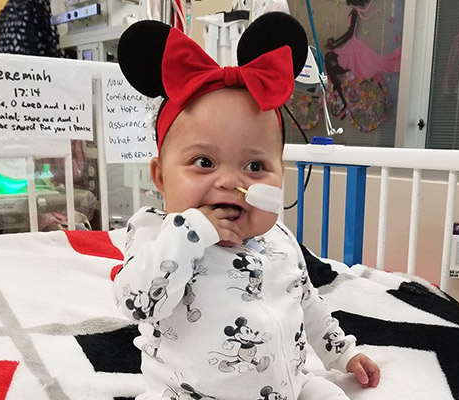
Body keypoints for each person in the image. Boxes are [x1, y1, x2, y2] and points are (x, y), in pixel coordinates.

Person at [113, 13, 380, 400]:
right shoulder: (157, 234)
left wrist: (343, 354)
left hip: (288, 386)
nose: (231, 182)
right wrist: (190, 233)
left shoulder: (279, 239)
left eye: (255, 166)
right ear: (160, 176)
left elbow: (308, 304)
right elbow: (137, 303)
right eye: (204, 162)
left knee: (329, 396)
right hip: (186, 394)